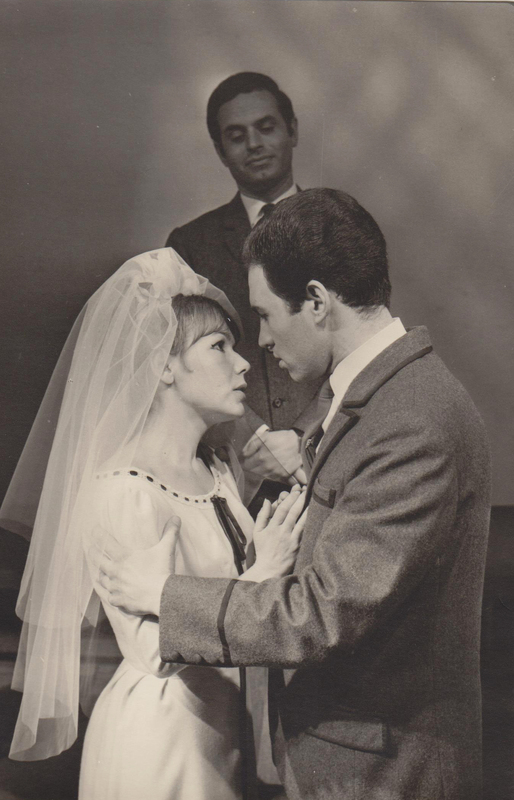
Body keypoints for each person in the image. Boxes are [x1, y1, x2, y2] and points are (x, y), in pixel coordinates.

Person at [95, 190, 492, 800]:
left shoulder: (411, 420)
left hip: (383, 772)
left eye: (264, 315)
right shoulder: (378, 399)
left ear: (316, 301)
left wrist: (163, 595)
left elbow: (324, 612)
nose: (259, 342)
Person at [0, 248, 306, 800]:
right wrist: (264, 573)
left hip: (223, 731)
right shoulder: (122, 490)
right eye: (218, 347)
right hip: (163, 741)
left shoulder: (216, 471)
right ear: (163, 366)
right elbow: (152, 654)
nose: (242, 364)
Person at [166, 72, 323, 492]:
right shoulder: (190, 244)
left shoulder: (337, 225)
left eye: (266, 127)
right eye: (236, 136)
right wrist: (256, 442)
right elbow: (182, 357)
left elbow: (361, 342)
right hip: (237, 466)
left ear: (292, 131)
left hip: (328, 454)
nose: (254, 144)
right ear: (221, 151)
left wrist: (304, 436)